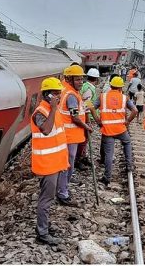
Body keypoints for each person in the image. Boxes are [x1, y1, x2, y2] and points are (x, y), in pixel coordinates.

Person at [31, 77, 68, 245]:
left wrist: (54, 108)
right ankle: (42, 233)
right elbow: (45, 130)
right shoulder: (41, 112)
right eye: (55, 94)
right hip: (46, 165)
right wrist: (53, 109)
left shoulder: (53, 109)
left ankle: (44, 227)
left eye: (59, 94)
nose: (59, 97)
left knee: (48, 198)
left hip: (55, 162)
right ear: (47, 95)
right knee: (46, 199)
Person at [87, 76, 138, 186]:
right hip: (121, 129)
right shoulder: (124, 98)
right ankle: (129, 165)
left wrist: (98, 121)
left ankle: (107, 177)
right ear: (120, 88)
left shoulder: (103, 97)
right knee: (127, 143)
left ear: (110, 86)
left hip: (107, 130)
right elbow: (135, 110)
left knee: (109, 155)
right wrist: (128, 121)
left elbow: (91, 107)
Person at [58, 65, 92, 206]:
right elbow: (75, 118)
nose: (80, 82)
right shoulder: (71, 95)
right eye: (77, 79)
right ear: (69, 79)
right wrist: (87, 127)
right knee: (68, 165)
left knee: (66, 164)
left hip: (67, 135)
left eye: (81, 79)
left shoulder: (66, 90)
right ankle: (62, 193)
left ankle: (62, 188)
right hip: (70, 136)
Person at [76, 68, 100, 171]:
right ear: (96, 79)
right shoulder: (90, 89)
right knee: (84, 140)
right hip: (86, 117)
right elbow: (87, 105)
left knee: (84, 140)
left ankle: (82, 157)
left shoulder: (85, 86)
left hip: (83, 115)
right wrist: (91, 120)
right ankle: (79, 160)